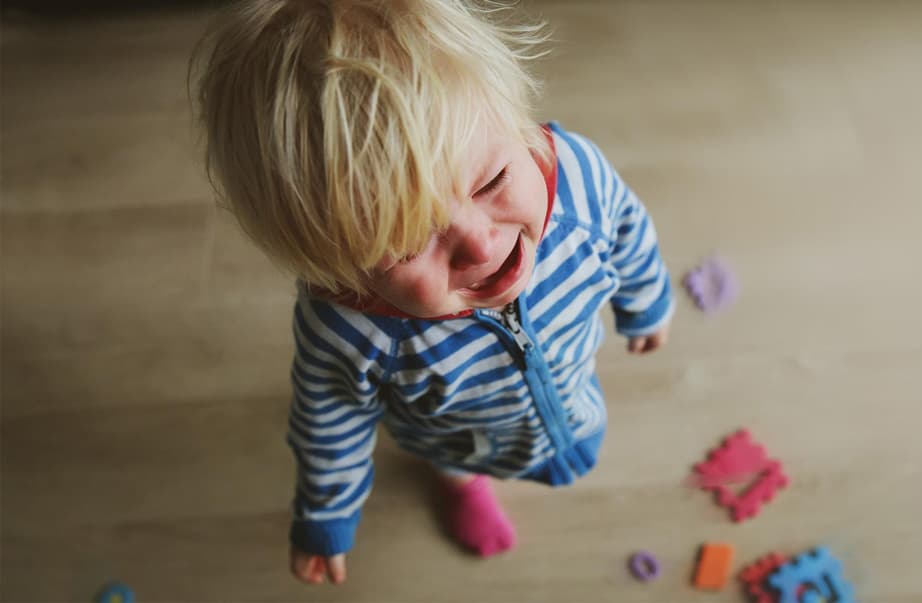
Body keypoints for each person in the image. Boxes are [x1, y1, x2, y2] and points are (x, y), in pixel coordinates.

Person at [193, 0, 674, 586]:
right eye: (408, 244)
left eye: (493, 180)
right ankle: (461, 483)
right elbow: (329, 418)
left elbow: (628, 225)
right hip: (455, 436)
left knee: (569, 397)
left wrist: (645, 300)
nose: (479, 243)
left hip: (571, 374)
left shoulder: (574, 176)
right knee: (453, 459)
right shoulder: (348, 331)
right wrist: (326, 514)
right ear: (339, 270)